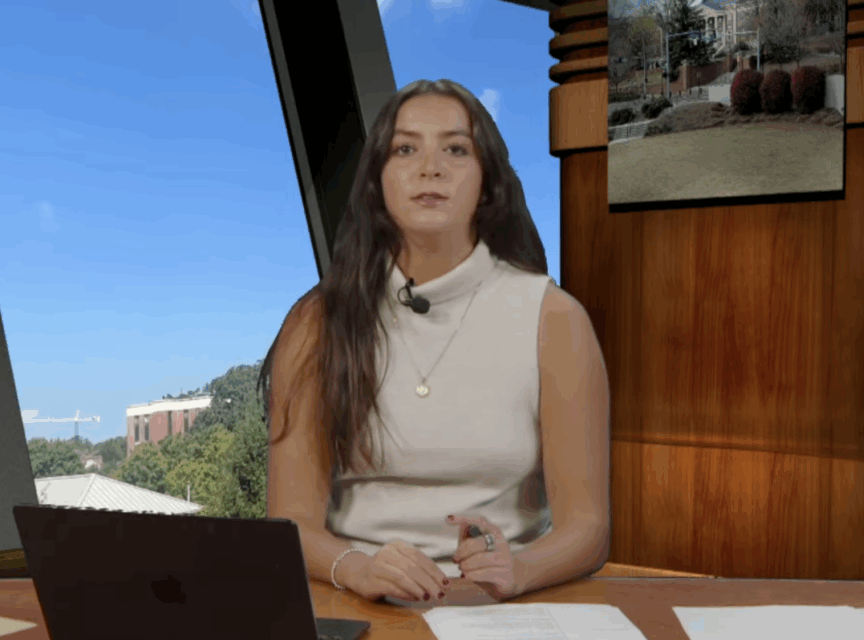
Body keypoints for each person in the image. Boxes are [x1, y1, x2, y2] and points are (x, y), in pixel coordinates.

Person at [258, 78, 610, 605]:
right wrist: (358, 569)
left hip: (504, 608)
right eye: (405, 149)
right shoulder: (318, 322)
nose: (431, 168)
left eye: (456, 149)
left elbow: (587, 529)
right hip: (356, 600)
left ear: (487, 180)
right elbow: (289, 523)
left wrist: (520, 569)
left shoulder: (555, 320)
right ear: (377, 180)